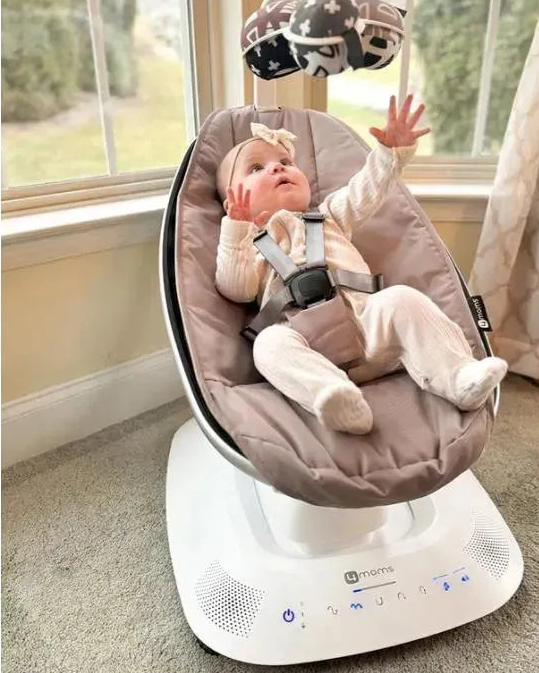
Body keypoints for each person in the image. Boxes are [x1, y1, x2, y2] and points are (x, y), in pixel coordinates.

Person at [215, 94, 507, 434]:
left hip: (368, 329)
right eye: (256, 168)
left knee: (402, 298)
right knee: (267, 346)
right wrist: (235, 228)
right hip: (304, 341)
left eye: (286, 161)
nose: (278, 167)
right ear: (232, 203)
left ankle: (458, 378)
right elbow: (236, 288)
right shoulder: (247, 244)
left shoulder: (328, 216)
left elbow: (365, 190)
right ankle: (335, 398)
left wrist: (389, 154)